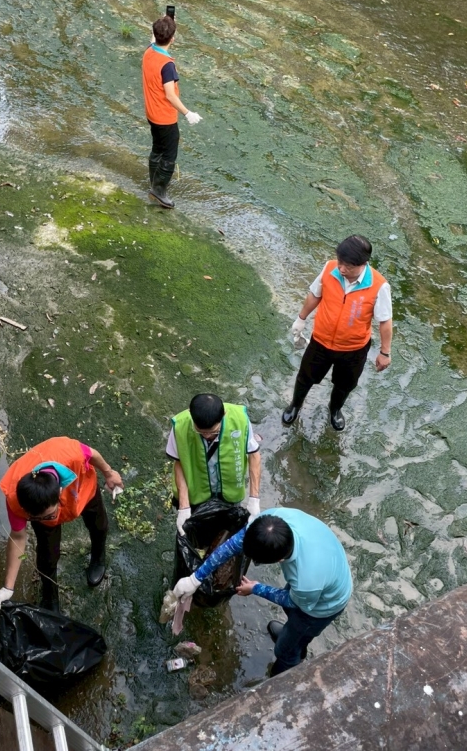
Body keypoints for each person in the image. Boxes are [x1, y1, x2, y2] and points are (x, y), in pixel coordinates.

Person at [173, 508, 352, 676]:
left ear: (280, 559)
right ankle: (292, 635)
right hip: (323, 568)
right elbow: (231, 546)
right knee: (292, 619)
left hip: (323, 604)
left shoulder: (307, 579)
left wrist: (256, 588)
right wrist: (195, 578)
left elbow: (291, 601)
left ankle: (284, 671)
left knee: (287, 646)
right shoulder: (272, 520)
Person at [0, 437, 123, 613]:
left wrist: (108, 473)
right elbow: (17, 537)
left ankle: (98, 556)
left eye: (49, 515)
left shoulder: (70, 453)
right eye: (36, 518)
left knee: (98, 526)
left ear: (60, 491)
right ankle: (50, 593)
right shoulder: (16, 499)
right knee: (47, 557)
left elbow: (92, 454)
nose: (45, 519)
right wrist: (8, 588)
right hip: (45, 508)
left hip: (82, 489)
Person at [283, 234, 393, 431]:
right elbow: (314, 294)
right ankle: (295, 405)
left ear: (363, 263)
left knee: (344, 385)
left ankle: (334, 410)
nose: (342, 269)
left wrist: (385, 352)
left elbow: (384, 321)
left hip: (353, 349)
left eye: (348, 266)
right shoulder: (329, 269)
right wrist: (301, 319)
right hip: (320, 342)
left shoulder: (379, 286)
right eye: (340, 262)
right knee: (304, 377)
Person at [167, 393, 261, 535]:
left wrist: (254, 498)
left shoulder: (239, 419)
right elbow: (179, 463)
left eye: (213, 432)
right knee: (196, 529)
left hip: (230, 490)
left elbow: (253, 454)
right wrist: (184, 506)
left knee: (227, 530)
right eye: (200, 432)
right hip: (197, 491)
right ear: (190, 414)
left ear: (223, 414)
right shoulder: (180, 425)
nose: (207, 436)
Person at [142, 14, 201, 210]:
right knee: (169, 154)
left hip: (151, 113)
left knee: (157, 148)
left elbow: (154, 38)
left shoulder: (149, 52)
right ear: (173, 39)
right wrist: (187, 113)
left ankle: (153, 182)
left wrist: (167, 19)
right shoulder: (167, 66)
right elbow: (170, 95)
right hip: (164, 117)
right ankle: (159, 191)